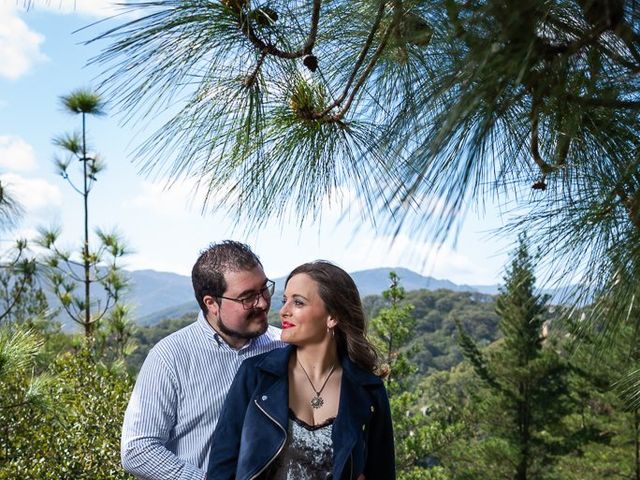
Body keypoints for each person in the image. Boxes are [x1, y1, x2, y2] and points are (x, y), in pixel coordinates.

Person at [208, 260, 395, 480]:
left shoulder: (368, 390)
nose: (283, 311)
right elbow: (221, 468)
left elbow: (382, 471)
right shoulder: (255, 375)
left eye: (298, 303)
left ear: (333, 316)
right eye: (284, 300)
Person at [121, 240, 284, 480]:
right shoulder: (170, 357)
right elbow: (138, 449)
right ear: (211, 303)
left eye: (263, 289)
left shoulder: (283, 345)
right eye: (247, 297)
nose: (261, 303)